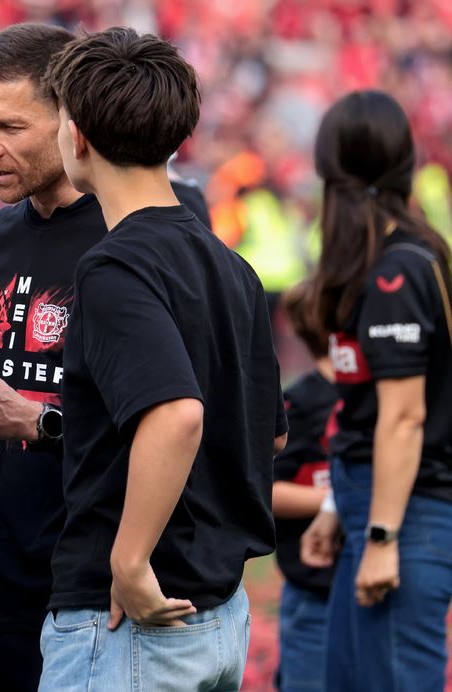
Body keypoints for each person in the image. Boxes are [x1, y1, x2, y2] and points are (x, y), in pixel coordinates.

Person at [0, 25, 213, 691]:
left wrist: (39, 420)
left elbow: (177, 417)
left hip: (91, 585)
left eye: (9, 125)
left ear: (72, 122)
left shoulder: (137, 235)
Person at [40, 27, 287, 690]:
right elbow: (272, 429)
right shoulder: (232, 267)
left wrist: (129, 559)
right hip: (216, 613)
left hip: (129, 619)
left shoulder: (113, 267)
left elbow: (177, 415)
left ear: (78, 135)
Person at [300, 90, 452, 691]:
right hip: (376, 505)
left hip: (406, 513)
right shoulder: (384, 259)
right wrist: (340, 508)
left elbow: (404, 419)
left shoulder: (399, 269)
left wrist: (385, 537)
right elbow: (367, 410)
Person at [272, 281, 338, 692]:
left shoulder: (384, 400)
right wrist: (340, 499)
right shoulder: (299, 405)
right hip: (314, 595)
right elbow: (268, 490)